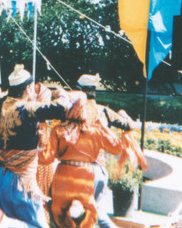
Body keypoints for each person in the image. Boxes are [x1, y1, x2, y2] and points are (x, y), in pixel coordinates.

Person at [0, 64, 84, 228]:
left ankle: (1, 220)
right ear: (28, 88)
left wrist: (1, 89)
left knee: (7, 214)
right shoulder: (27, 108)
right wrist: (62, 93)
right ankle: (3, 221)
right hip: (20, 181)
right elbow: (62, 107)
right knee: (38, 224)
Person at [38, 89, 124, 228]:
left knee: (56, 214)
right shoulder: (95, 130)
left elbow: (47, 158)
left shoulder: (59, 130)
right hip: (86, 177)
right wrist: (104, 127)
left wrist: (30, 153)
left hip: (63, 177)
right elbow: (117, 148)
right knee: (86, 218)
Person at [76, 73, 146, 228]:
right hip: (98, 170)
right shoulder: (104, 111)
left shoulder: (71, 112)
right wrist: (125, 117)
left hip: (76, 170)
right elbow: (131, 125)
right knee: (95, 211)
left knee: (85, 213)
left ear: (79, 90)